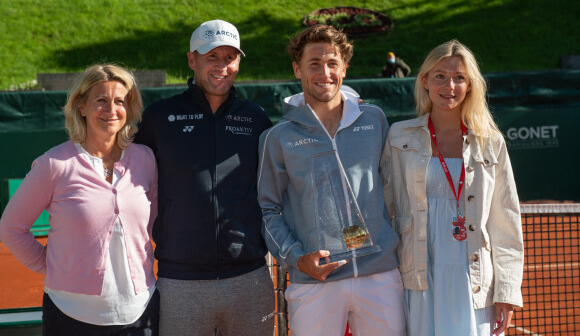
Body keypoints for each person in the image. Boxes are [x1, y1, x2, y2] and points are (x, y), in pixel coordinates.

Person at [258, 24, 406, 336]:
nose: (324, 73)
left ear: (344, 67)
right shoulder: (277, 138)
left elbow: (393, 189)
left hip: (380, 276)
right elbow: (268, 210)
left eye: (332, 63)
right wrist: (298, 259)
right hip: (316, 280)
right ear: (297, 69)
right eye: (314, 64)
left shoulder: (374, 119)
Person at [134, 19, 275, 336]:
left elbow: (275, 189)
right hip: (180, 281)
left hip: (249, 276)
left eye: (230, 58)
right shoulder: (159, 117)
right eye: (212, 56)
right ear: (192, 59)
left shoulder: (256, 118)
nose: (222, 67)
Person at [0, 64, 159, 335]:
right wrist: (50, 266)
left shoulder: (145, 159)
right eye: (101, 100)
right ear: (81, 106)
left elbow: (156, 225)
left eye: (120, 101)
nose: (111, 110)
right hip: (69, 314)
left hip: (141, 312)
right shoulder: (54, 164)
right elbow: (11, 227)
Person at [383, 40, 524, 336]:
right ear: (424, 81)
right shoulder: (399, 137)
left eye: (459, 77)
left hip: (473, 278)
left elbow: (505, 221)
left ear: (470, 85)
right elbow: (384, 209)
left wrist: (507, 293)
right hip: (418, 274)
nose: (450, 85)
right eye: (440, 77)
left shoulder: (491, 142)